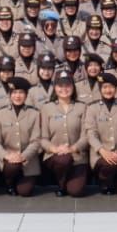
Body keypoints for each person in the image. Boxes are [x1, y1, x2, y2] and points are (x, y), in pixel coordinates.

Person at [39, 69, 89, 197]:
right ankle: (61, 183)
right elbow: (43, 138)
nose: (64, 89)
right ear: (55, 88)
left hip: (77, 156)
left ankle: (68, 182)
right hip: (55, 156)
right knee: (63, 160)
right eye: (60, 85)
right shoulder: (47, 108)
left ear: (73, 87)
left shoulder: (82, 107)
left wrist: (72, 148)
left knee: (76, 191)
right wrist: (55, 149)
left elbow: (86, 135)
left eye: (67, 85)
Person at [85, 74, 117, 197]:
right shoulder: (92, 108)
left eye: (111, 87)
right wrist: (102, 151)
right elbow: (91, 133)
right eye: (104, 87)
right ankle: (104, 180)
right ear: (100, 89)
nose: (108, 90)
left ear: (116, 89)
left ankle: (115, 179)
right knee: (108, 165)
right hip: (100, 155)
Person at [0, 78, 42, 195]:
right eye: (14, 93)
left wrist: (23, 156)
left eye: (21, 93)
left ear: (26, 95)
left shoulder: (35, 114)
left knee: (25, 192)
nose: (17, 96)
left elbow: (37, 140)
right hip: (9, 160)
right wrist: (6, 156)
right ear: (9, 95)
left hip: (28, 161)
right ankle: (9, 183)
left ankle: (21, 180)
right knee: (12, 167)